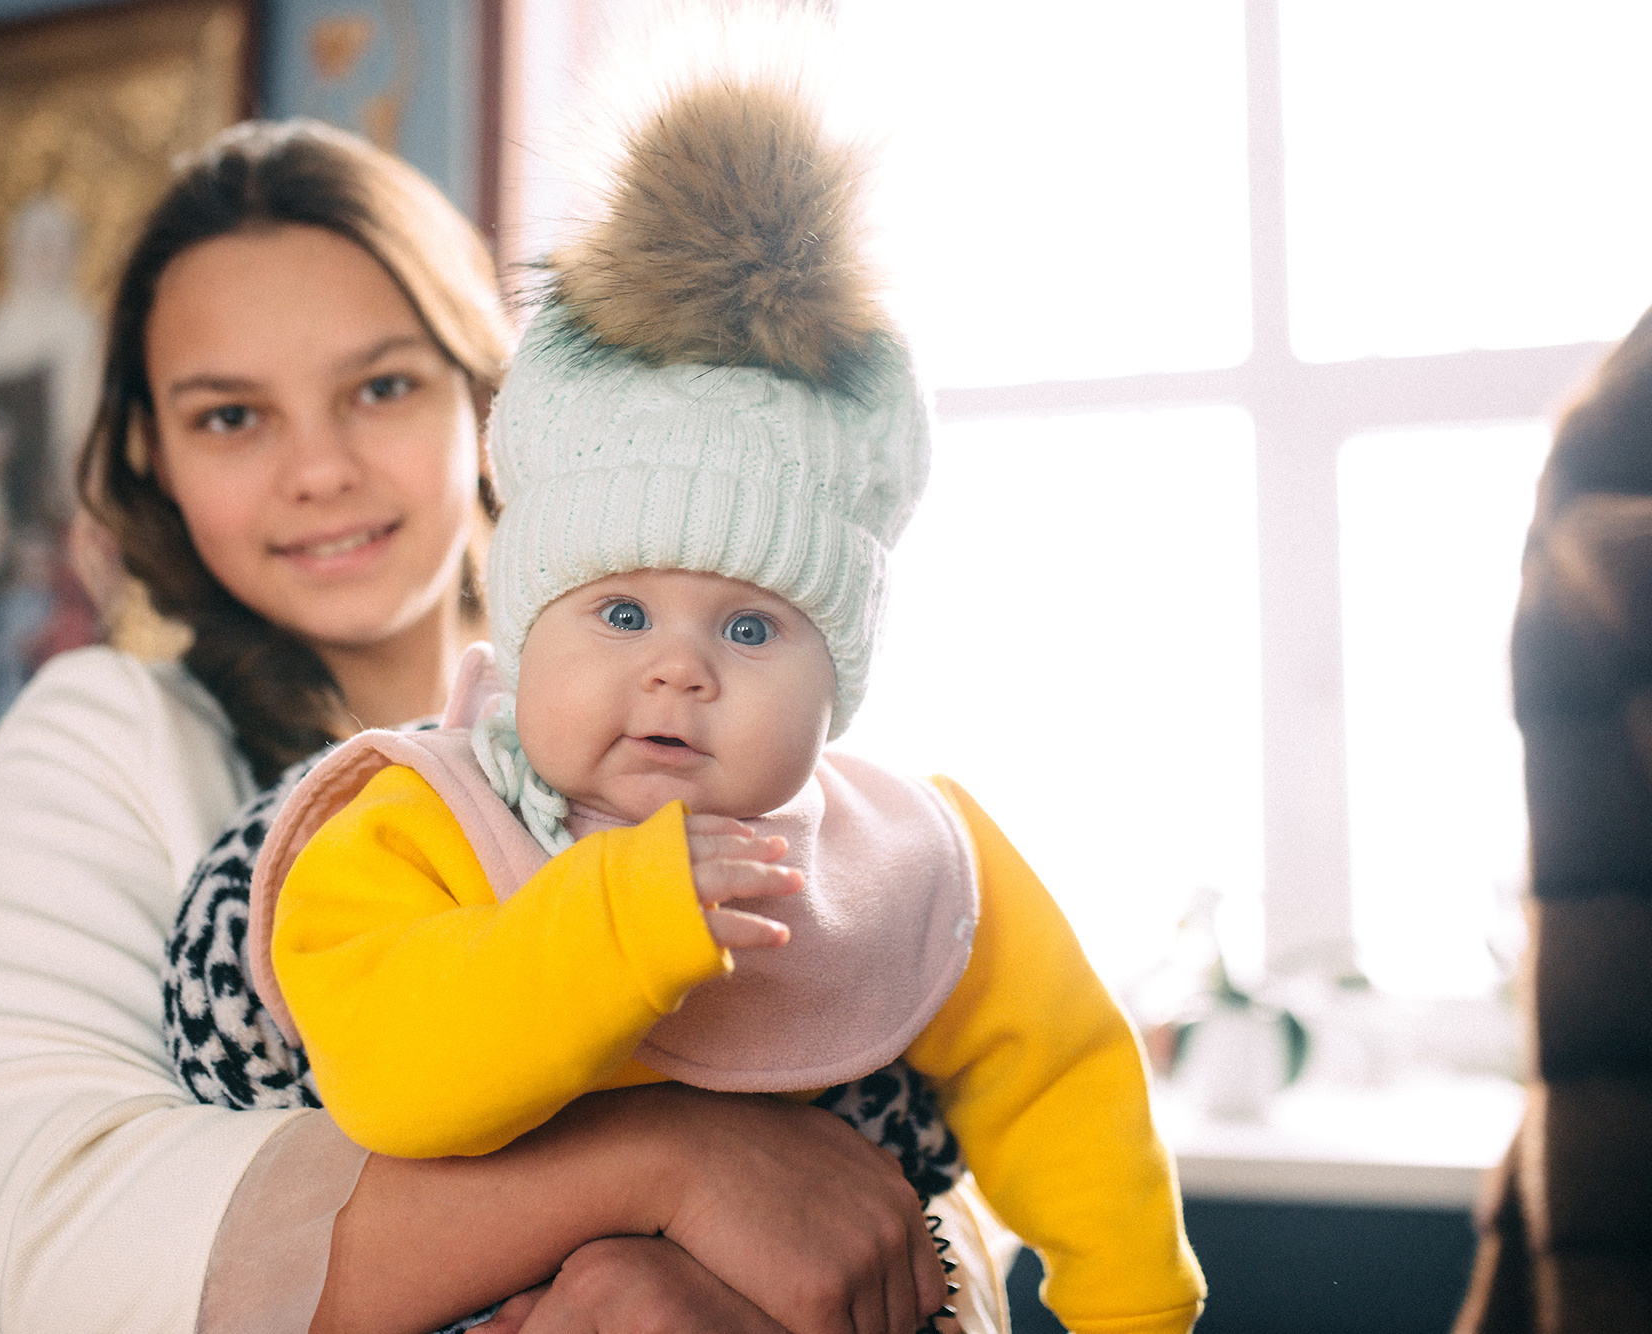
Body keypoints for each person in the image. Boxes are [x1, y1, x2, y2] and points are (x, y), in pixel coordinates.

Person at [166, 30, 1203, 1334]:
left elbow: (1061, 1073)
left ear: (845, 676)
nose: (678, 667)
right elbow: (391, 1071)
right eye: (618, 608)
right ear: (527, 621)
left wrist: (1135, 1302)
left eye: (754, 630)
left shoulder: (910, 858)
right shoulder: (415, 815)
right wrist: (624, 919)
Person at [0, 116, 954, 1334]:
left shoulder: (714, 706)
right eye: (229, 416)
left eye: (380, 386)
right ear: (149, 450)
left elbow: (923, 1214)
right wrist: (672, 1156)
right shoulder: (106, 736)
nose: (319, 469)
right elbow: (64, 1264)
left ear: (487, 396)